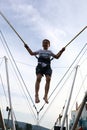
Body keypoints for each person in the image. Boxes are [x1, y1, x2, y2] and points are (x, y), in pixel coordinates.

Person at [24, 39, 65, 104]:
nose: (45, 44)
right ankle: (36, 95)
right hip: (40, 66)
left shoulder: (50, 52)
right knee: (38, 78)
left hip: (47, 67)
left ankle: (45, 96)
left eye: (46, 43)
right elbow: (31, 53)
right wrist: (27, 47)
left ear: (49, 45)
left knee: (48, 79)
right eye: (44, 43)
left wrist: (61, 51)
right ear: (42, 44)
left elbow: (56, 57)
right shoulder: (40, 51)